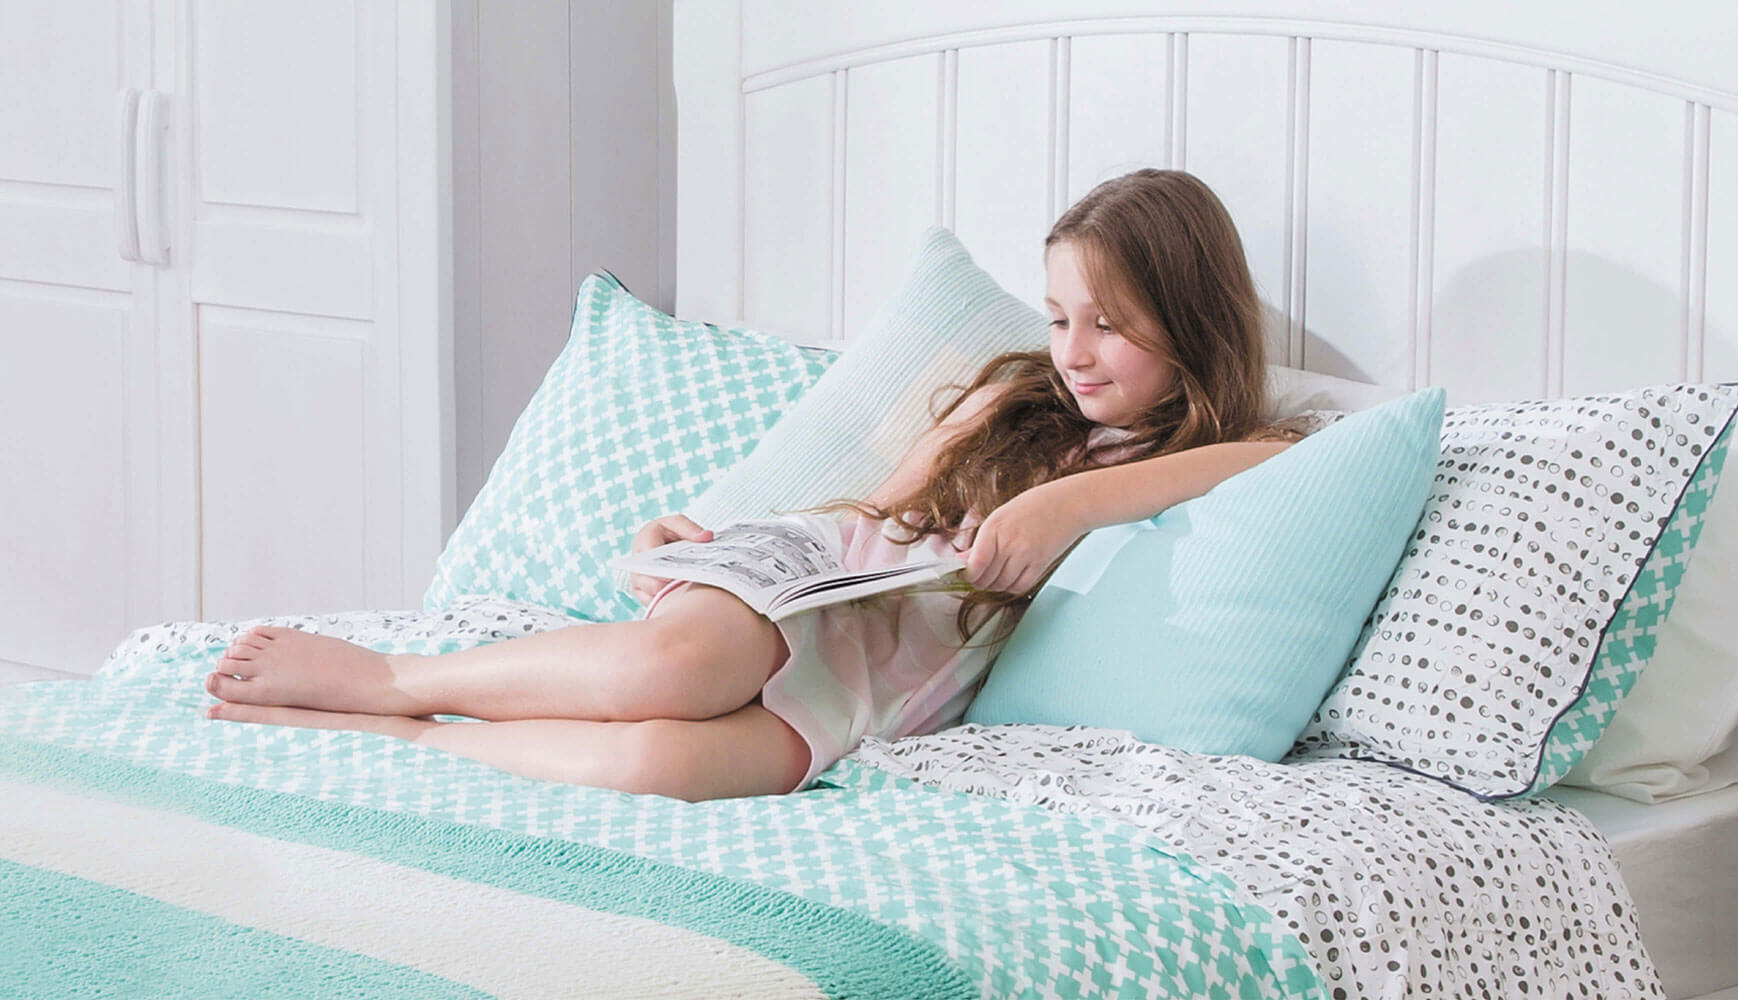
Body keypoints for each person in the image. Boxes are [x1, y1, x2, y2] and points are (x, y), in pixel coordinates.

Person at [202, 168, 1302, 801]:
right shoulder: (1014, 398)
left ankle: (417, 740)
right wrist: (710, 539)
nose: (1072, 349)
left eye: (1107, 324)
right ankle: (397, 676)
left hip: (897, 679)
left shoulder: (1221, 458)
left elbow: (1272, 455)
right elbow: (871, 516)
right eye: (1060, 317)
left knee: (655, 765)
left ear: (1191, 315)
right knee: (676, 665)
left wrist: (1067, 502)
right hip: (824, 585)